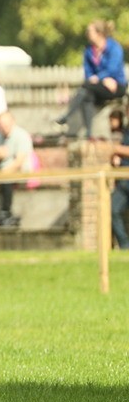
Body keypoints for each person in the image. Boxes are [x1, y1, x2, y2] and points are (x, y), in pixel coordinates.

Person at [55, 20, 127, 138]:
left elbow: (112, 69)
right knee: (86, 94)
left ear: (99, 33)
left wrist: (99, 78)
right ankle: (89, 132)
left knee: (86, 87)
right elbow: (88, 72)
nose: (87, 33)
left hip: (116, 85)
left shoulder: (114, 47)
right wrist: (99, 80)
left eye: (90, 31)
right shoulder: (89, 51)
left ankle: (67, 116)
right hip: (96, 86)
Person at [0, 111, 34, 226]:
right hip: (2, 171)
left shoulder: (22, 135)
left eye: (7, 125)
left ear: (13, 122)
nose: (4, 128)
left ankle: (6, 211)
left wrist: (2, 173)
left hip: (20, 171)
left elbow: (19, 162)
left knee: (7, 178)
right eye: (2, 126)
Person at [109, 109, 129, 249]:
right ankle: (125, 246)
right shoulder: (126, 130)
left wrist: (116, 149)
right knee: (113, 210)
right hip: (123, 179)